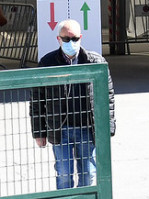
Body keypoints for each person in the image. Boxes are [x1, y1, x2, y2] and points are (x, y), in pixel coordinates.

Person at [30, 19, 116, 189]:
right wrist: (39, 132)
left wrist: (109, 128)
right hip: (60, 129)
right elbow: (37, 101)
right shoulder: (48, 63)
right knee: (64, 175)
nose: (71, 43)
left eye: (75, 39)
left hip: (87, 128)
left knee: (89, 175)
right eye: (67, 39)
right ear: (58, 39)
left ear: (81, 38)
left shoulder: (95, 62)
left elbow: (109, 97)